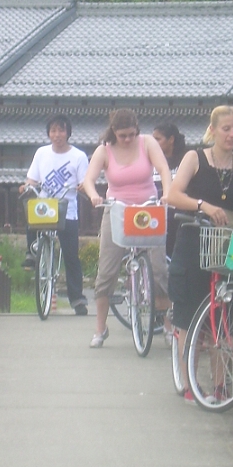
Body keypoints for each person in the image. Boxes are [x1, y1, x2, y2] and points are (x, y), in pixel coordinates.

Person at [166, 105, 233, 400]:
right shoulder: (194, 158)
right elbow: (171, 194)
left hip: (226, 244)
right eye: (226, 129)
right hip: (194, 238)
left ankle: (221, 385)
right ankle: (188, 381)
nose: (232, 134)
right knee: (188, 314)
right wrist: (202, 206)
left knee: (223, 315)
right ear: (214, 130)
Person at [82, 109, 172, 348]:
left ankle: (169, 327)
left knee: (158, 267)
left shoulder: (148, 143)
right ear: (113, 133)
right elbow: (89, 180)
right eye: (122, 136)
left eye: (132, 134)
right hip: (117, 210)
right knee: (107, 270)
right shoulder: (104, 151)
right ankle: (100, 328)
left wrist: (167, 193)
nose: (128, 139)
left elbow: (163, 169)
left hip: (148, 208)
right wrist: (94, 196)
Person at [20, 114, 89, 316]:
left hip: (67, 208)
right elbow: (32, 179)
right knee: (31, 208)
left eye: (61, 130)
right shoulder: (41, 153)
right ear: (48, 133)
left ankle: (77, 299)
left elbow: (85, 183)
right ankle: (32, 253)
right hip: (45, 206)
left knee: (71, 256)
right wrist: (26, 186)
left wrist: (82, 187)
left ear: (68, 132)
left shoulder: (78, 156)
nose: (57, 135)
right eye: (53, 130)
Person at [152, 121, 186, 257]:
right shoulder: (151, 160)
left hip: (178, 216)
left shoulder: (185, 160)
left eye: (158, 139)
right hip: (155, 215)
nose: (154, 143)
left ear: (171, 140)